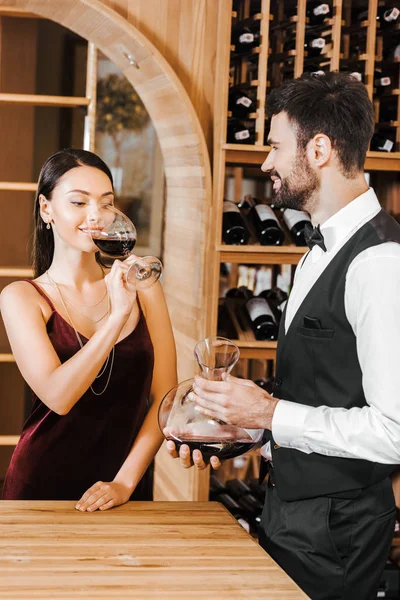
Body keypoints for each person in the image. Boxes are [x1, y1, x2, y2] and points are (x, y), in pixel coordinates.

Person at [167, 72, 400, 599]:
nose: (266, 162)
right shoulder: (320, 247)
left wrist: (268, 414)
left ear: (318, 149)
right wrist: (244, 433)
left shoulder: (380, 264)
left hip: (338, 530)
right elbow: (328, 388)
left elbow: (394, 430)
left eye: (275, 145)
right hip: (294, 513)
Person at [1, 148, 177, 511]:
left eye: (106, 203)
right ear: (46, 210)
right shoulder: (22, 297)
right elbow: (58, 396)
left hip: (123, 491)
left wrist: (125, 483)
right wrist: (115, 319)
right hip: (40, 489)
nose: (96, 216)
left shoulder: (143, 286)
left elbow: (167, 397)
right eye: (79, 203)